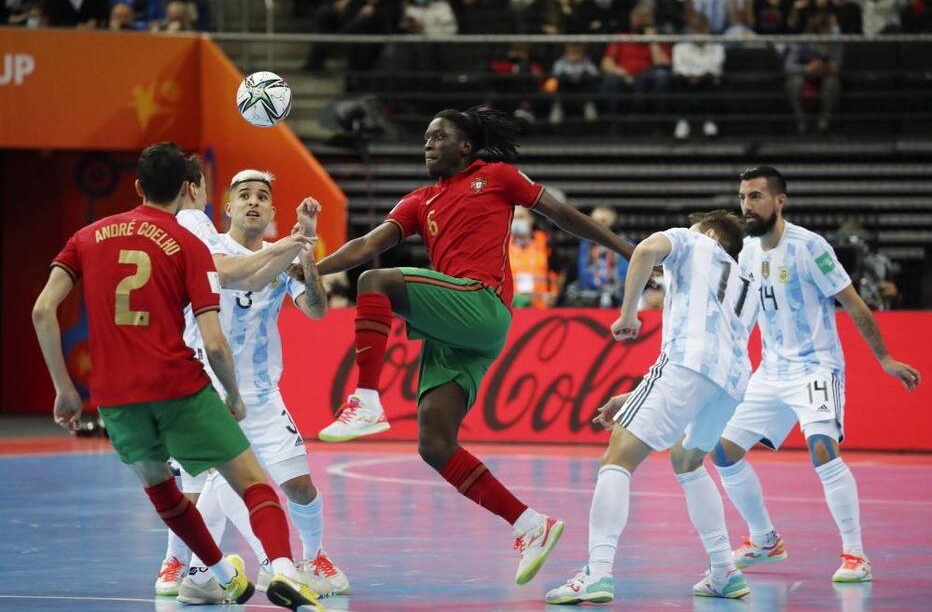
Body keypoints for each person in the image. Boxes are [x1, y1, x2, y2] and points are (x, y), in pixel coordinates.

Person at [311, 106, 635, 584]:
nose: (428, 144)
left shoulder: (498, 177)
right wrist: (308, 269)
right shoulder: (420, 200)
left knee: (376, 283)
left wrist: (629, 250)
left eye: (437, 136)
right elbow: (364, 244)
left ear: (465, 145)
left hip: (481, 306)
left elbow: (563, 215)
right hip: (456, 330)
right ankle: (530, 525)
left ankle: (366, 400)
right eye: (424, 138)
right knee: (435, 445)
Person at [31, 142, 324, 611]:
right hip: (180, 384)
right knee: (249, 483)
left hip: (113, 396)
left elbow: (43, 309)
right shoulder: (189, 240)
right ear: (193, 191)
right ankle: (283, 569)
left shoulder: (88, 235)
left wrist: (66, 390)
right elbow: (213, 338)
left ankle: (218, 575)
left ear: (137, 186)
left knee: (167, 492)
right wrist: (231, 394)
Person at [710, 166, 921, 584]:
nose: (746, 206)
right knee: (723, 453)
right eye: (742, 198)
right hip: (771, 371)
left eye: (755, 197)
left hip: (815, 367)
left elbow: (854, 304)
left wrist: (884, 359)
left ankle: (856, 555)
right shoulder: (747, 253)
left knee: (822, 449)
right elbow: (742, 317)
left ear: (779, 201)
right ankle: (764, 539)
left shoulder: (810, 247)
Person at [545, 210, 759, 604]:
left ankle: (597, 572)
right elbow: (711, 352)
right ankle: (724, 571)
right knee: (687, 462)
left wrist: (628, 315)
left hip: (686, 365)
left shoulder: (694, 240)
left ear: (710, 233)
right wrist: (636, 394)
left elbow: (644, 250)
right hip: (731, 382)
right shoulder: (745, 281)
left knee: (617, 457)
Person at [156, 157, 344, 601]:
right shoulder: (208, 245)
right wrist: (287, 249)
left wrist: (307, 256)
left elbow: (316, 310)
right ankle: (183, 563)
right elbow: (227, 270)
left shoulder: (284, 253)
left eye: (262, 197)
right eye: (244, 196)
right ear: (227, 209)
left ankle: (312, 557)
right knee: (202, 486)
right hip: (206, 388)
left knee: (299, 482)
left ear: (272, 212)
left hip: (261, 395)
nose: (254, 203)